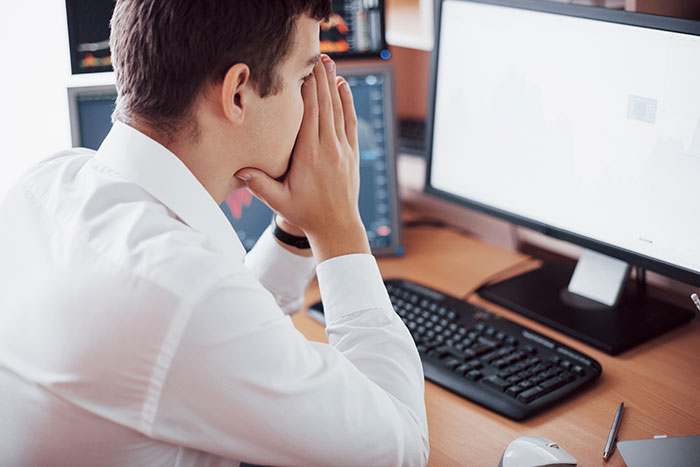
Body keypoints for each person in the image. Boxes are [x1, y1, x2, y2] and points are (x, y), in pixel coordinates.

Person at [0, 1, 429, 465]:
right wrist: (340, 229)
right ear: (238, 93)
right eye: (305, 78)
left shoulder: (49, 181)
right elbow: (399, 445)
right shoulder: (185, 300)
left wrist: (296, 229)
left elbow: (217, 327)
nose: (311, 102)